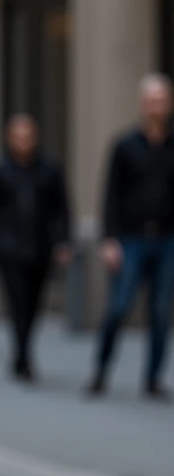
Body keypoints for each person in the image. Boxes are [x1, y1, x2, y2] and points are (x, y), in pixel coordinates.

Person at [87, 73, 174, 399]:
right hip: (132, 239)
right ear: (142, 104)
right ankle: (101, 369)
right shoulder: (124, 146)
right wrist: (109, 239)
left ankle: (153, 378)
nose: (157, 106)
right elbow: (110, 194)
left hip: (167, 239)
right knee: (119, 307)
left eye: (162, 100)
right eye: (152, 100)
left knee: (161, 312)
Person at [0, 114, 71, 382]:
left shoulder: (49, 169)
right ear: (9, 139)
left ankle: (23, 352)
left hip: (40, 246)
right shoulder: (0, 171)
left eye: (27, 136)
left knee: (34, 303)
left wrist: (63, 241)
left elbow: (62, 207)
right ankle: (23, 357)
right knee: (17, 302)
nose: (23, 142)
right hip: (8, 248)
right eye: (18, 136)